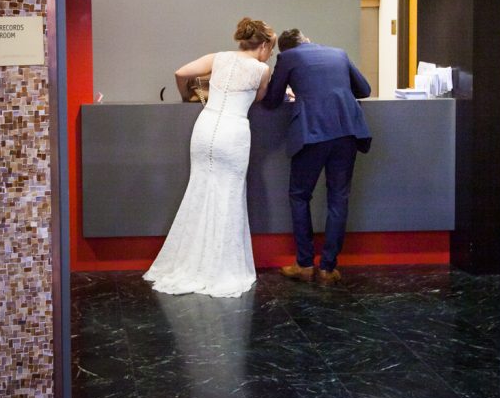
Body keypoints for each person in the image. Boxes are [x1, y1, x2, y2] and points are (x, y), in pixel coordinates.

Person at [144, 17, 276, 298]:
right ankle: (219, 266)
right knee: (228, 195)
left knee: (200, 190)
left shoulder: (218, 58)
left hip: (205, 128)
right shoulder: (262, 69)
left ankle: (190, 260)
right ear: (263, 45)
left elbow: (181, 73)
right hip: (234, 132)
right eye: (271, 49)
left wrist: (186, 95)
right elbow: (260, 98)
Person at [262, 29, 371, 285]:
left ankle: (304, 264)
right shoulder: (339, 54)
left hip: (311, 132)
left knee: (300, 196)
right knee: (338, 198)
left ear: (285, 49)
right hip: (347, 131)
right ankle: (328, 268)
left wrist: (295, 92)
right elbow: (364, 89)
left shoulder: (288, 58)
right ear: (307, 39)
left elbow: (271, 101)